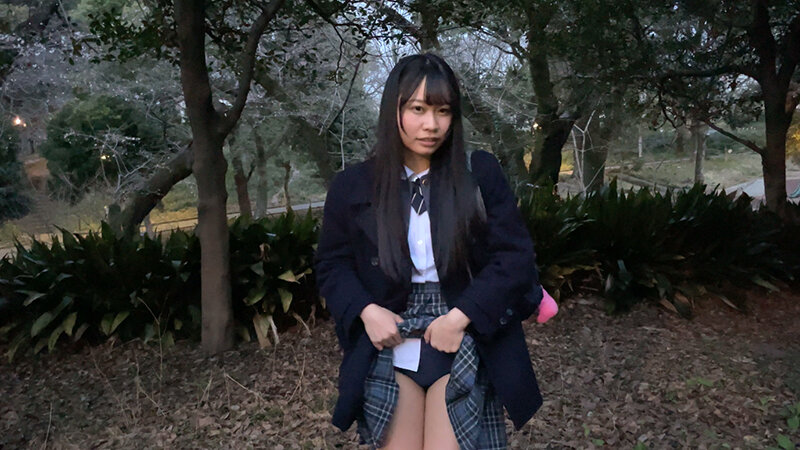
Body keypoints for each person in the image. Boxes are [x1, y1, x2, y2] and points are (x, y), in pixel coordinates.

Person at [315, 53, 545, 449]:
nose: (431, 125)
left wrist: (460, 317)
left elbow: (514, 256)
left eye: (443, 111)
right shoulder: (353, 185)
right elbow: (332, 264)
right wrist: (366, 312)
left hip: (462, 329)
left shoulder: (478, 172)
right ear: (394, 110)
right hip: (389, 338)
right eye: (418, 109)